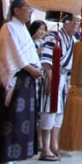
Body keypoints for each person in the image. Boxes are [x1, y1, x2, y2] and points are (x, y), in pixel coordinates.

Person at [0, 0, 42, 164]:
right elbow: (13, 53)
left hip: (27, 77)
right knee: (12, 118)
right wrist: (30, 69)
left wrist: (36, 68)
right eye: (28, 8)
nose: (30, 12)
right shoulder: (9, 27)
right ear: (16, 10)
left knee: (25, 118)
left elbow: (29, 53)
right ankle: (5, 160)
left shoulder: (22, 28)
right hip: (18, 76)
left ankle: (16, 156)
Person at [38, 14, 78, 161]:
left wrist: (68, 82)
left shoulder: (73, 40)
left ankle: (55, 145)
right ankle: (45, 147)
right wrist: (51, 79)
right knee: (49, 109)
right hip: (52, 74)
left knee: (59, 113)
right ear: (65, 23)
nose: (76, 25)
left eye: (77, 23)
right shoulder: (54, 36)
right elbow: (46, 60)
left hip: (63, 77)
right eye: (73, 22)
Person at [28, 20, 48, 152]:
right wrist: (38, 52)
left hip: (42, 78)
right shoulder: (29, 43)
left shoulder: (44, 43)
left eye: (44, 29)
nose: (42, 32)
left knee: (40, 109)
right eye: (40, 29)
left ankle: (39, 140)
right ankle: (37, 140)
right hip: (32, 77)